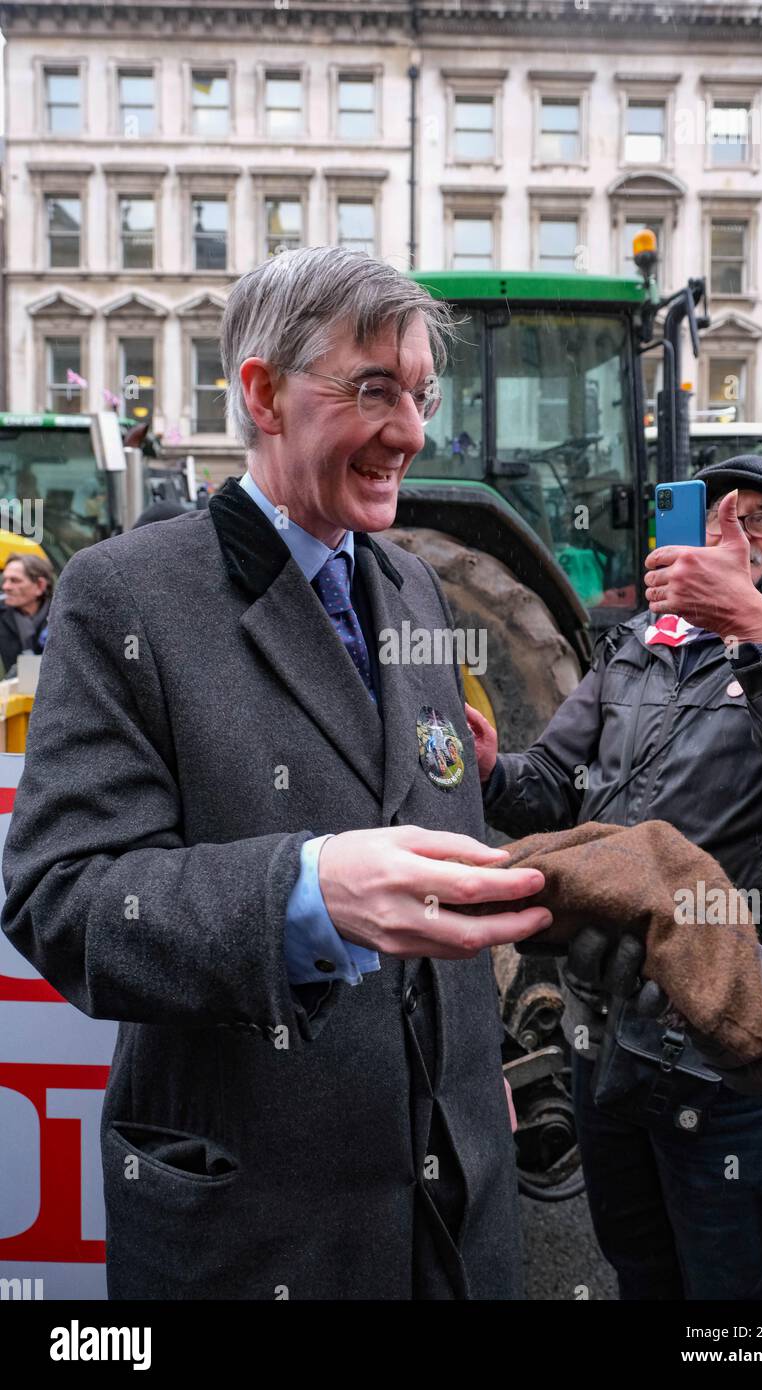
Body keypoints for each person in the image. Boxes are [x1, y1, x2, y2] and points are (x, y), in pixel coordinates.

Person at [0, 246, 553, 1301]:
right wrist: (306, 893)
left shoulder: (414, 590)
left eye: (421, 392)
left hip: (456, 1211)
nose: (411, 431)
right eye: (374, 388)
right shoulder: (127, 597)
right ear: (261, 392)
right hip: (262, 1229)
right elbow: (63, 897)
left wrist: (467, 1074)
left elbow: (436, 832)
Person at [469, 454, 762, 1300]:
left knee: (735, 1285)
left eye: (758, 520)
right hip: (604, 1027)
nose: (731, 533)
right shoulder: (637, 648)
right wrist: (496, 771)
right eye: (716, 514)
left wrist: (760, 637)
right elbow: (553, 786)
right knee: (637, 1263)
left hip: (735, 1029)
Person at [0, 552, 54, 676]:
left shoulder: (61, 617)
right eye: (5, 580)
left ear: (40, 585)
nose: (6, 586)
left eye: (15, 581)